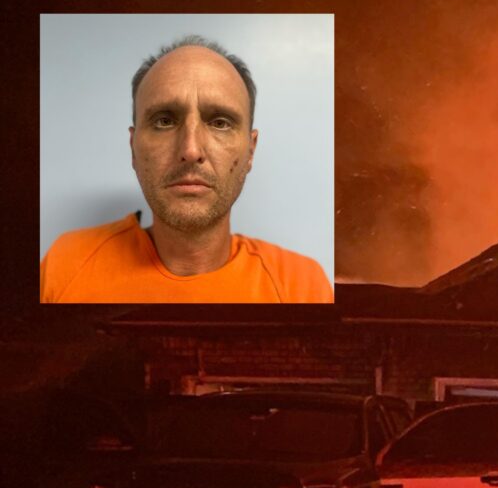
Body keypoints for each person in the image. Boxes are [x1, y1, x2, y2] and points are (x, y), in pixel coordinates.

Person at [40, 35, 332, 304]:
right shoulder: (65, 267)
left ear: (250, 151)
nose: (191, 150)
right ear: (133, 147)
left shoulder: (302, 286)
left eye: (220, 122)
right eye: (164, 121)